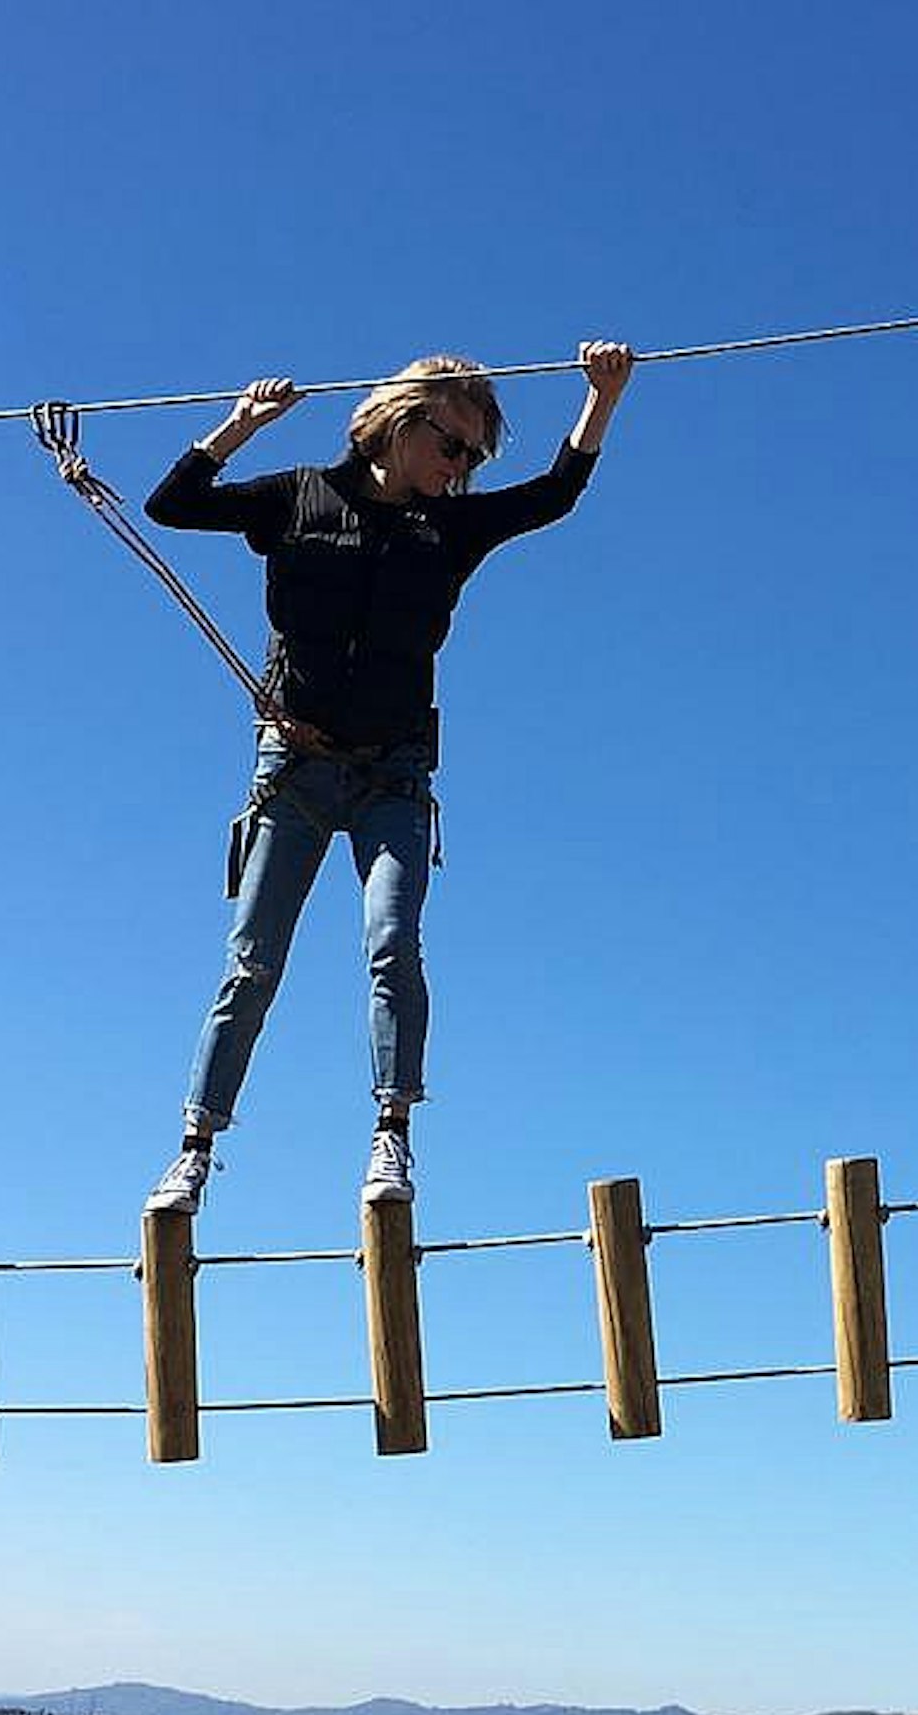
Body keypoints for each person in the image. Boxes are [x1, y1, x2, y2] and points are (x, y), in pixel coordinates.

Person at [138, 341, 635, 1217]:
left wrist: (603, 398)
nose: (463, 469)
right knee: (253, 963)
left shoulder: (450, 529)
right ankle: (194, 1150)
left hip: (395, 772)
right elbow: (172, 506)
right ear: (403, 423)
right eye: (455, 448)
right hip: (294, 766)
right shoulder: (298, 496)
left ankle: (392, 1133)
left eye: (476, 458)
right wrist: (239, 427)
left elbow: (555, 495)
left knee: (392, 940)